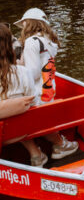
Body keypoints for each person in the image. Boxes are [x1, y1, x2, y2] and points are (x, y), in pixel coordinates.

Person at [15, 8, 78, 163]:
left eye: (23, 24)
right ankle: (58, 146)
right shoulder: (48, 41)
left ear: (28, 23)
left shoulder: (31, 42)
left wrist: (16, 66)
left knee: (15, 113)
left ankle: (53, 147)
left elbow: (33, 73)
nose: (22, 27)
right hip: (48, 92)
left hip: (35, 95)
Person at [0, 23, 50, 167]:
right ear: (10, 47)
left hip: (3, 136)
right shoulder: (23, 72)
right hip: (23, 131)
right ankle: (36, 154)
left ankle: (36, 154)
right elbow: (34, 103)